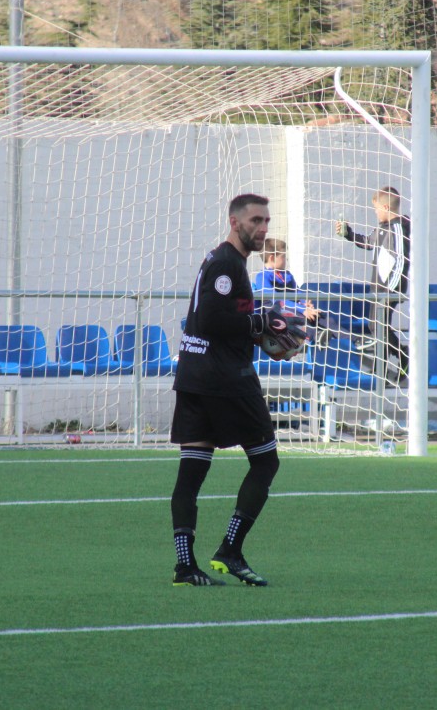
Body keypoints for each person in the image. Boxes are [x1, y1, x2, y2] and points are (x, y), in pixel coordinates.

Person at [169, 194, 305, 587]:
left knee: (192, 472)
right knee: (266, 462)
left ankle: (184, 566)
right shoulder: (228, 263)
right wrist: (261, 323)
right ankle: (230, 549)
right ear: (234, 221)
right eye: (256, 220)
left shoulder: (220, 260)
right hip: (226, 381)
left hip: (195, 376)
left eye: (266, 220)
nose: (262, 228)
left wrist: (258, 327)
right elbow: (213, 318)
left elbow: (219, 317)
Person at [335, 186, 410, 384]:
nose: (375, 213)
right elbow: (368, 242)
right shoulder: (382, 228)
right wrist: (349, 234)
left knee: (379, 327)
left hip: (389, 290)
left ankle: (398, 360)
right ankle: (394, 362)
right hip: (378, 290)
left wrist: (389, 291)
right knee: (375, 326)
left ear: (386, 206)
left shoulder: (398, 228)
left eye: (376, 209)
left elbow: (401, 261)